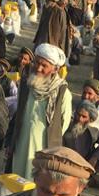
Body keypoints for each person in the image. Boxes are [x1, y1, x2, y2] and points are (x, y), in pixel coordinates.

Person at [6, 42, 71, 178]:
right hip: (21, 141)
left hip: (44, 146)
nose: (38, 68)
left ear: (54, 69)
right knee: (16, 179)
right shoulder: (26, 83)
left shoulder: (62, 92)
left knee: (38, 181)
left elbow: (63, 125)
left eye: (44, 66)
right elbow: (19, 113)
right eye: (37, 63)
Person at [63, 101, 99, 187]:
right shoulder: (66, 127)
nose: (80, 119)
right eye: (78, 115)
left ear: (90, 119)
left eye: (84, 117)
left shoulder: (93, 132)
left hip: (84, 168)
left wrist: (95, 157)